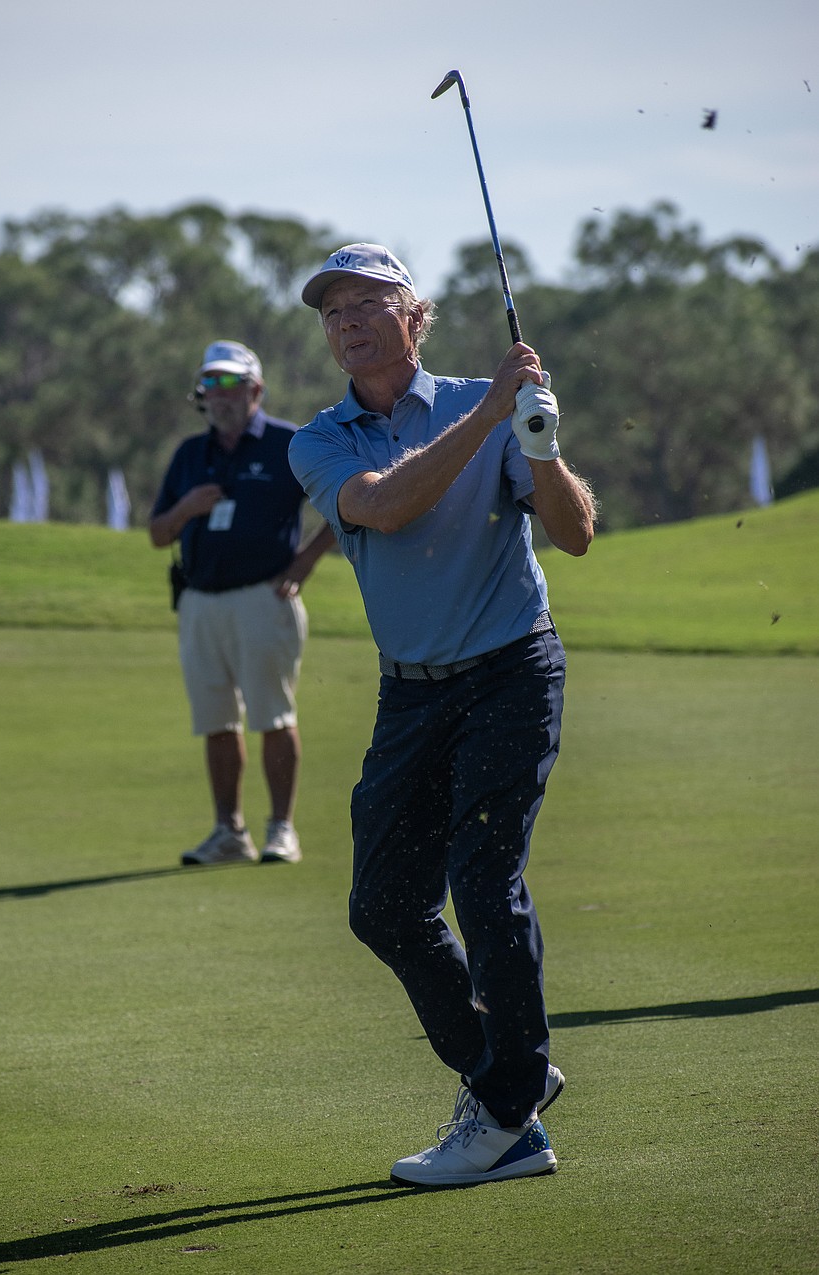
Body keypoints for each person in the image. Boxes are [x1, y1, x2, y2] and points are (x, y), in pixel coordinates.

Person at [288, 245, 596, 1187]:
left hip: (510, 670)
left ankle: (502, 1114)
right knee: (383, 906)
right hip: (410, 690)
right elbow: (383, 507)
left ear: (414, 316)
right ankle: (514, 1083)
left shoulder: (487, 399)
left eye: (367, 301)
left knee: (483, 877)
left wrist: (540, 448)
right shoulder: (319, 440)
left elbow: (575, 532)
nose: (346, 320)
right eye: (332, 309)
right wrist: (491, 417)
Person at [150, 340, 334, 867]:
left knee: (273, 715)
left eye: (231, 384)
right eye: (211, 385)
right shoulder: (191, 454)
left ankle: (281, 829)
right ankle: (229, 832)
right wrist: (186, 508)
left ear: (255, 389)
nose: (220, 395)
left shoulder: (287, 443)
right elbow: (158, 534)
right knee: (215, 721)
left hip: (264, 598)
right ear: (201, 394)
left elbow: (341, 506)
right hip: (199, 602)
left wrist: (303, 564)